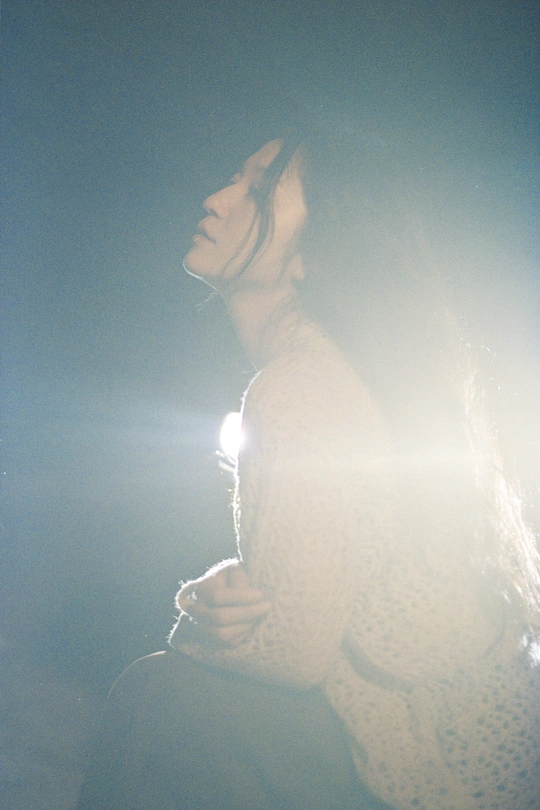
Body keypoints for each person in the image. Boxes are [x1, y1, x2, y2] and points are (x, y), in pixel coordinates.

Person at [76, 128, 540, 810]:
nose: (216, 198)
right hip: (484, 754)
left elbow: (293, 652)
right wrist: (242, 593)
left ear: (309, 259)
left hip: (445, 772)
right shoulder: (341, 370)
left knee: (158, 694)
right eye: (234, 178)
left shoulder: (300, 386)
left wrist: (196, 626)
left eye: (259, 190)